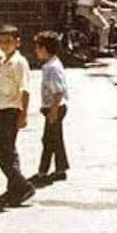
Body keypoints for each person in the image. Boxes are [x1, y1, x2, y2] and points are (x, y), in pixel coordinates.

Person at [0, 25, 35, 205]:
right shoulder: (4, 61)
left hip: (11, 111)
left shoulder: (19, 62)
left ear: (17, 42)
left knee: (0, 152)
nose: (4, 45)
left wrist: (23, 114)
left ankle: (23, 186)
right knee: (8, 152)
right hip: (3, 110)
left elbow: (25, 90)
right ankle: (13, 189)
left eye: (8, 41)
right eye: (1, 42)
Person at [31, 30, 69, 185]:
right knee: (55, 139)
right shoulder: (52, 63)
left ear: (45, 49)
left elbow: (58, 91)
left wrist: (52, 111)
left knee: (48, 140)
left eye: (38, 48)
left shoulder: (51, 68)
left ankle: (43, 171)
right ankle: (61, 168)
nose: (36, 51)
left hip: (56, 108)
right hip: (55, 107)